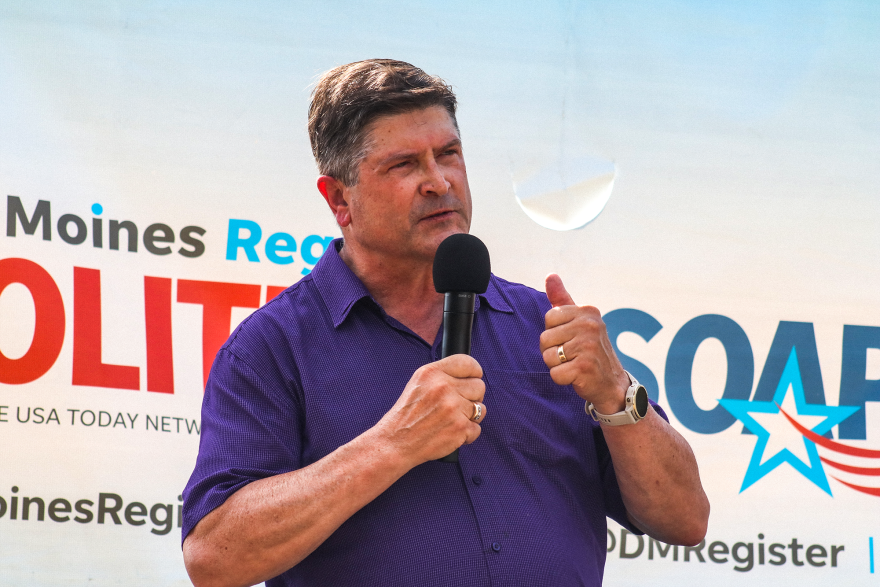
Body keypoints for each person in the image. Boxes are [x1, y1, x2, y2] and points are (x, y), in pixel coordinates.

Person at [181, 59, 709, 587]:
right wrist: (390, 445)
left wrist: (617, 392)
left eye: (449, 154)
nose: (439, 182)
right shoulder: (273, 348)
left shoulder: (540, 325)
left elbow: (686, 520)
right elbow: (215, 558)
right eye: (405, 165)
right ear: (340, 198)